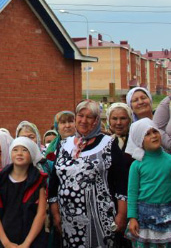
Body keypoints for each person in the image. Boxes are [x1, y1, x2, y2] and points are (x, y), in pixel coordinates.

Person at [49, 100, 128, 248]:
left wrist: (122, 215)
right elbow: (54, 182)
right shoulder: (64, 145)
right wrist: (55, 214)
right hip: (69, 221)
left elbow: (122, 182)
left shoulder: (108, 144)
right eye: (80, 115)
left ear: (97, 120)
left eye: (89, 117)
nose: (84, 120)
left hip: (100, 219)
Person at [0, 137, 47, 248]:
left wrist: (27, 243)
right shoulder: (0, 179)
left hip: (32, 239)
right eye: (15, 150)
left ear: (32, 154)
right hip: (4, 238)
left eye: (24, 150)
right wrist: (6, 243)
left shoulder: (38, 180)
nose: (19, 153)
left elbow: (41, 214)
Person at [125, 118, 171, 247]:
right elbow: (132, 193)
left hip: (167, 215)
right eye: (147, 134)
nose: (153, 136)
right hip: (144, 218)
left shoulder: (169, 160)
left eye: (154, 131)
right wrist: (132, 217)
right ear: (140, 140)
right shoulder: (136, 165)